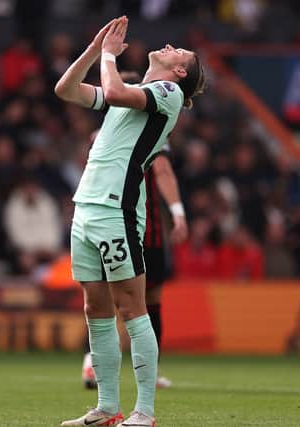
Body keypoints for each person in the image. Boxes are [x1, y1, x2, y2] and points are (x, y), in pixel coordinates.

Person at [55, 16, 204, 427]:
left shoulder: (168, 93)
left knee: (132, 308)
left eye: (180, 53)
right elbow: (65, 90)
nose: (171, 45)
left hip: (117, 210)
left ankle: (145, 413)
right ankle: (106, 408)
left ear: (178, 72)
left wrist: (108, 56)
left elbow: (115, 88)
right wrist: (93, 49)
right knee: (95, 309)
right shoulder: (134, 94)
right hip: (85, 208)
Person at [81, 138, 188, 391]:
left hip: (101, 219)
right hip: (142, 226)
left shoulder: (104, 130)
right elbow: (161, 170)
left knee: (101, 296)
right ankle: (150, 371)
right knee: (148, 299)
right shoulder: (155, 126)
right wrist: (178, 212)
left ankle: (91, 363)